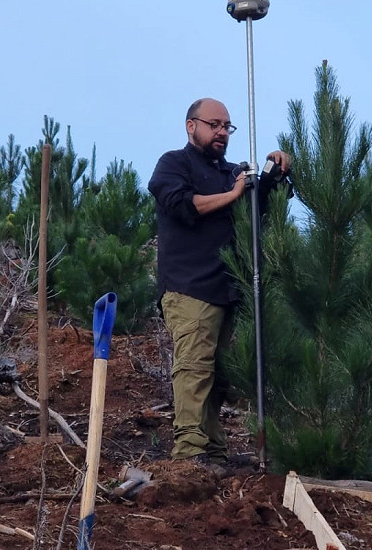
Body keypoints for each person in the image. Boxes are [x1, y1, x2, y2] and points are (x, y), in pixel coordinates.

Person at [148, 98, 291, 466]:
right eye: (214, 124)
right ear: (190, 125)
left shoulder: (231, 173)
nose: (222, 132)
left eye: (227, 126)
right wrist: (232, 194)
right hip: (188, 287)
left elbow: (255, 208)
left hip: (227, 291)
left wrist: (274, 174)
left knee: (219, 376)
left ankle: (213, 450)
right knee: (195, 366)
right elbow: (182, 205)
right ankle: (189, 453)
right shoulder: (173, 164)